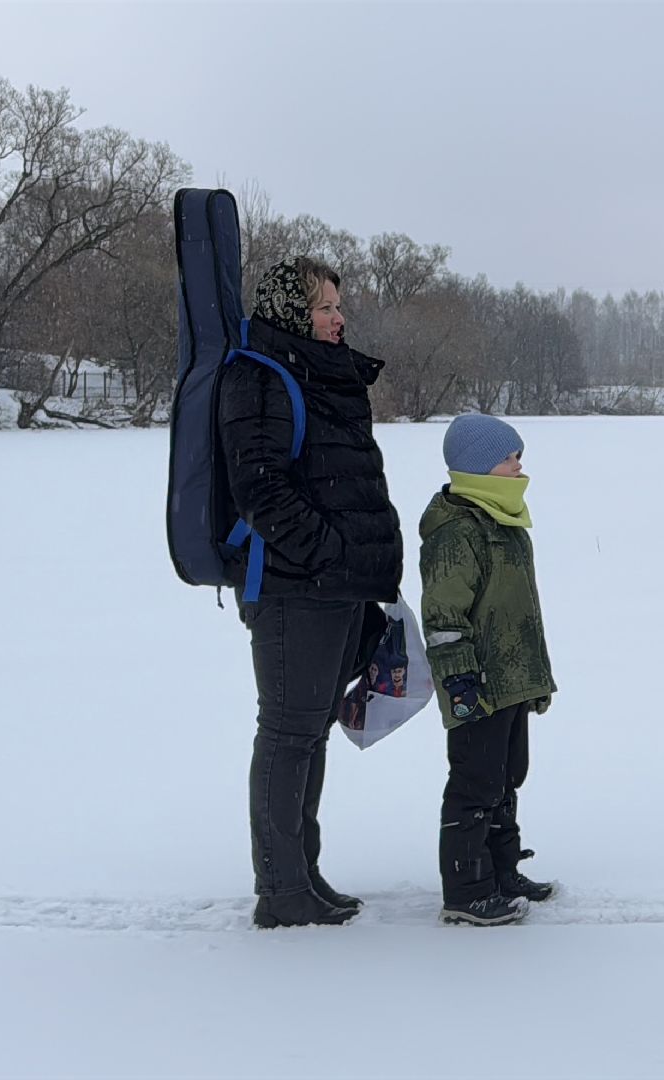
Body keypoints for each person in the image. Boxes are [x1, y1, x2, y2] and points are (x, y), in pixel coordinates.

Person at [220, 256, 404, 929]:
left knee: (311, 733)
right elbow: (260, 488)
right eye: (324, 306)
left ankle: (304, 873)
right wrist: (329, 552)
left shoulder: (317, 374)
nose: (338, 316)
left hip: (336, 585)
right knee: (288, 733)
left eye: (336, 305)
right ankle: (281, 890)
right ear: (293, 313)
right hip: (297, 587)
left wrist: (354, 564)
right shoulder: (260, 375)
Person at [420, 413, 559, 926]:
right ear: (478, 468)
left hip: (511, 679)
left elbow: (519, 612)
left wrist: (534, 678)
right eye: (509, 458)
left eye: (518, 455)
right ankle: (466, 888)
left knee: (506, 777)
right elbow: (445, 617)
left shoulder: (504, 520)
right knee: (474, 783)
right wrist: (460, 682)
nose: (520, 465)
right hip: (475, 684)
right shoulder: (458, 531)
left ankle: (502, 869)